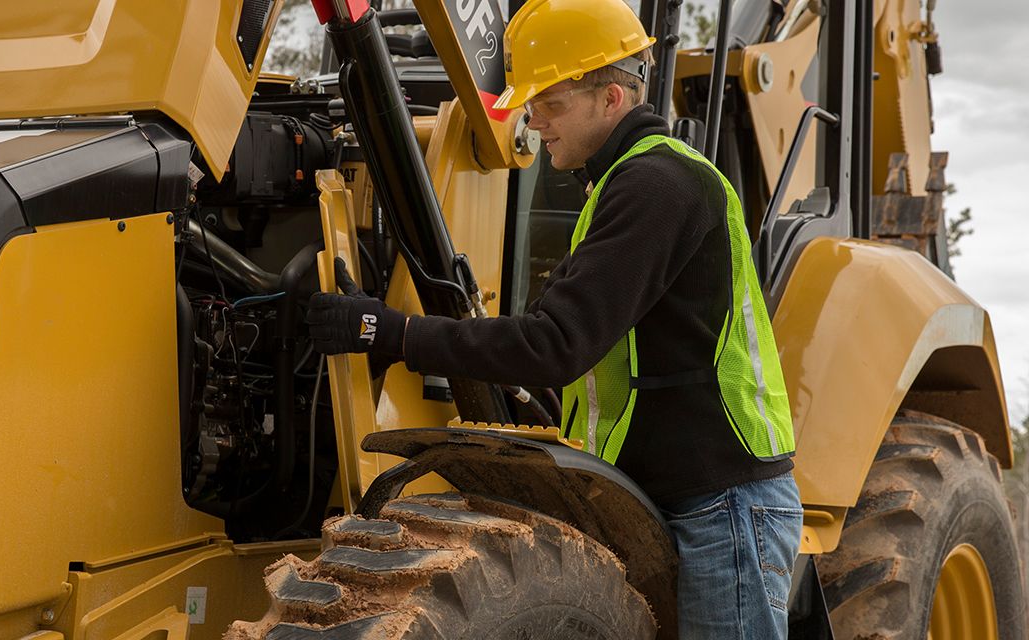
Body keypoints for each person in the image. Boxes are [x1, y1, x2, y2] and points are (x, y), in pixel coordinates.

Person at [304, 0, 804, 636]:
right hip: (682, 496)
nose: (533, 121)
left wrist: (391, 333)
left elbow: (553, 344)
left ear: (613, 98)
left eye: (552, 103)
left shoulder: (660, 187)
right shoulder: (624, 184)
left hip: (721, 507)